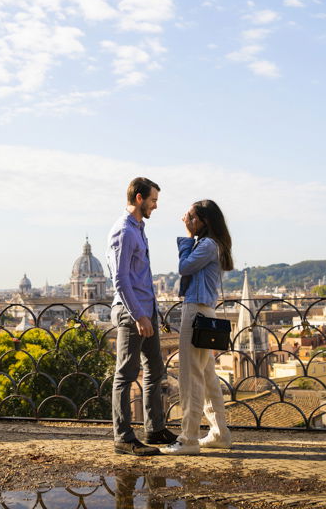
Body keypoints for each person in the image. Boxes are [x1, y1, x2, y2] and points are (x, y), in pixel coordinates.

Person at [107, 176, 178, 455]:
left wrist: (152, 312)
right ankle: (123, 437)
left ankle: (154, 429)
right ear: (139, 198)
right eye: (153, 201)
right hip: (131, 313)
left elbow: (140, 278)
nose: (155, 206)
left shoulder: (138, 228)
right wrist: (138, 315)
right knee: (125, 374)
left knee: (154, 369)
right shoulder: (124, 231)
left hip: (146, 311)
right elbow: (121, 280)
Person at [160, 199, 234, 455]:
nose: (187, 220)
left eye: (192, 217)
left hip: (196, 311)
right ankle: (219, 432)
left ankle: (189, 438)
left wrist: (187, 236)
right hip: (205, 310)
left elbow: (184, 267)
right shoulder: (213, 245)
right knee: (208, 378)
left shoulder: (207, 245)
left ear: (205, 221)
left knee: (190, 378)